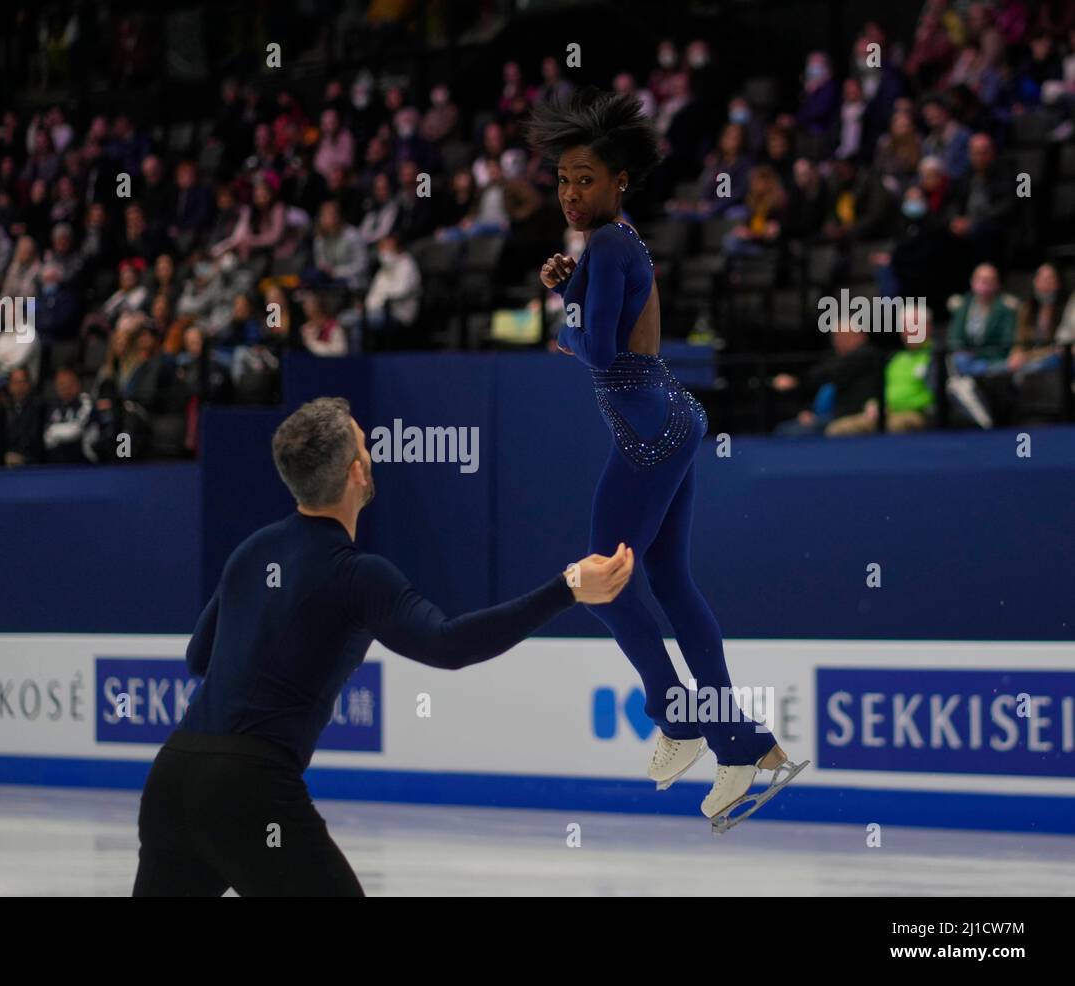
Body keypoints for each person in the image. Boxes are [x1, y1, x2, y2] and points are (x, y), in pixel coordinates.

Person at [133, 397, 635, 895]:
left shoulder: (252, 550)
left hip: (173, 778)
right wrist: (566, 587)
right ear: (356, 473)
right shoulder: (358, 575)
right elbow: (448, 644)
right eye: (366, 446)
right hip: (248, 789)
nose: (371, 454)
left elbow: (199, 658)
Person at [525, 88, 807, 830]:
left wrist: (568, 310)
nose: (571, 192)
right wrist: (571, 289)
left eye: (586, 178)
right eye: (562, 179)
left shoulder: (612, 244)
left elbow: (594, 347)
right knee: (670, 582)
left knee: (602, 581)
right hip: (668, 416)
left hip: (651, 428)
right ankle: (744, 744)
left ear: (619, 182)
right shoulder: (610, 248)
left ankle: (681, 719)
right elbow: (596, 330)